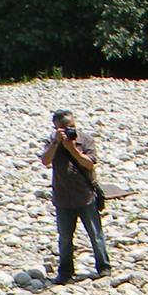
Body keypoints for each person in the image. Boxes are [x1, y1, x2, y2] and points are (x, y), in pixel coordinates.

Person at [39, 109, 109, 284]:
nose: (70, 131)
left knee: (95, 234)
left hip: (85, 196)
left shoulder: (85, 140)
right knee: (65, 238)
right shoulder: (52, 141)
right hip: (62, 198)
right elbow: (45, 161)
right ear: (56, 128)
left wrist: (73, 149)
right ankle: (65, 272)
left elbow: (89, 163)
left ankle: (104, 267)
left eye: (72, 126)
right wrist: (56, 143)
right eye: (64, 128)